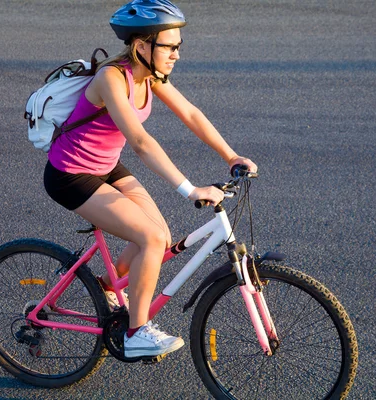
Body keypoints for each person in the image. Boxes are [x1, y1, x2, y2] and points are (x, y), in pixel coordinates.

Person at [43, 0, 257, 358]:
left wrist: (230, 155)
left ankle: (108, 287)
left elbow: (190, 113)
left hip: (106, 167)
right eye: (169, 47)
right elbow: (141, 143)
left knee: (160, 236)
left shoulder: (151, 76)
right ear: (142, 46)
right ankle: (136, 333)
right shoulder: (111, 78)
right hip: (71, 174)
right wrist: (190, 190)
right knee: (152, 236)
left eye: (178, 47)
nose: (176, 55)